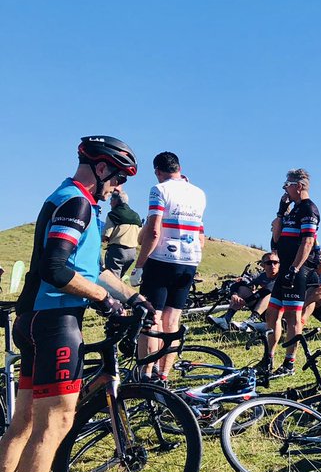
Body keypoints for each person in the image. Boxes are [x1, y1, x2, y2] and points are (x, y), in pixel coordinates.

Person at [0, 136, 142, 472]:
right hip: (55, 322)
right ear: (100, 169)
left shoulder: (75, 201)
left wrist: (133, 298)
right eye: (116, 177)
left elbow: (92, 270)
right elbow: (56, 268)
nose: (117, 187)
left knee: (24, 421)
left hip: (36, 321)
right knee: (55, 423)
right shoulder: (76, 202)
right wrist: (105, 301)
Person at [131, 152, 207, 383]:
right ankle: (164, 374)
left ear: (158, 171)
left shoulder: (159, 189)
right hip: (189, 261)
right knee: (172, 322)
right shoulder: (199, 193)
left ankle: (146, 374)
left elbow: (154, 230)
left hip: (162, 259)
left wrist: (139, 266)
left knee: (152, 319)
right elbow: (201, 234)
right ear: (179, 168)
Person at [266, 168, 319, 375]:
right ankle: (268, 357)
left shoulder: (309, 209)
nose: (284, 189)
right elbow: (276, 240)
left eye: (286, 185)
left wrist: (295, 269)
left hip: (298, 269)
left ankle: (289, 363)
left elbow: (307, 241)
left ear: (298, 186)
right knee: (272, 314)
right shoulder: (293, 209)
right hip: (285, 268)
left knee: (292, 317)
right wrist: (281, 212)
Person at [209, 252, 280, 331]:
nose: (273, 266)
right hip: (265, 311)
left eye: (275, 262)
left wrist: (246, 301)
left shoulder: (281, 276)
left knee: (269, 294)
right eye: (269, 263)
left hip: (280, 312)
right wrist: (234, 295)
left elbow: (267, 290)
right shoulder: (261, 276)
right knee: (243, 289)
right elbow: (238, 284)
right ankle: (226, 319)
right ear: (263, 265)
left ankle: (250, 321)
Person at [101, 187, 142, 278]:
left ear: (116, 201)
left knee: (111, 281)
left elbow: (105, 236)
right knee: (118, 279)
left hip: (117, 251)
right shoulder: (136, 216)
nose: (110, 202)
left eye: (111, 199)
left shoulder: (113, 214)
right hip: (132, 253)